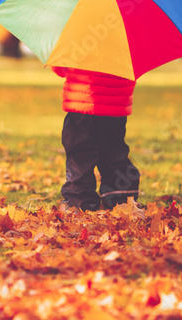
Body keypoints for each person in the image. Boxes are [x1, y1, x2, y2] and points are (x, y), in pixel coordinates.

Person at [51, 66, 140, 211]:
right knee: (113, 149)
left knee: (80, 153)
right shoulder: (123, 44)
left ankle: (79, 198)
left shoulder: (76, 42)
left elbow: (59, 67)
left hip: (82, 99)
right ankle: (120, 196)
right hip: (114, 102)